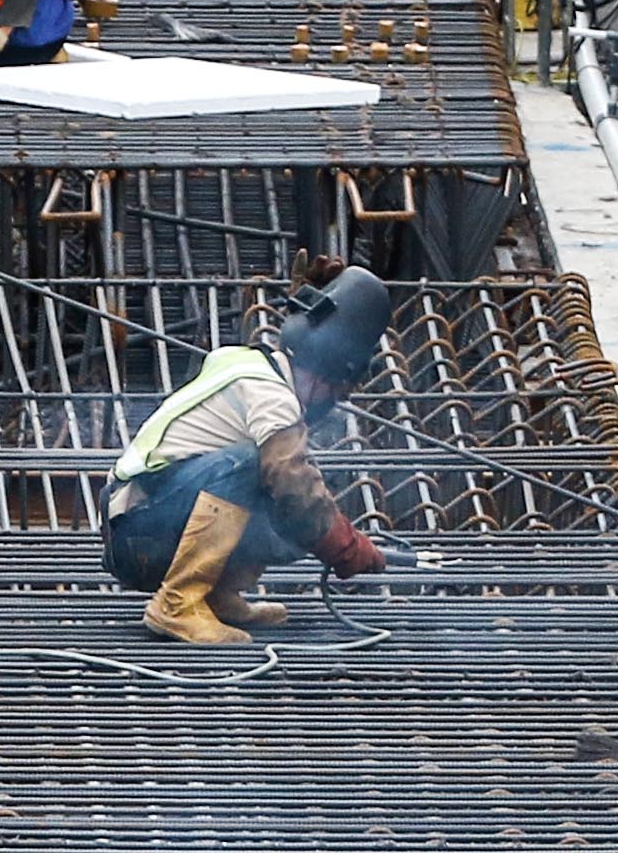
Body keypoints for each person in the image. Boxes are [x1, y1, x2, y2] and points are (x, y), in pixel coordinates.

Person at [102, 263, 400, 645]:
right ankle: (177, 603)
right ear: (327, 376)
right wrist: (346, 547)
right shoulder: (273, 397)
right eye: (338, 392)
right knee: (263, 471)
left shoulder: (247, 362)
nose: (334, 403)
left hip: (136, 523)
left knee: (281, 513)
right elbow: (293, 484)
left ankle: (215, 593)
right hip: (139, 537)